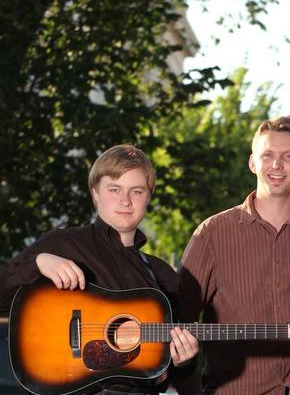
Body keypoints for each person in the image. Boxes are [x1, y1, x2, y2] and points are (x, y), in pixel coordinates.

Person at [0, 144, 200, 395]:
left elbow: (166, 368)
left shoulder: (162, 276)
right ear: (95, 192)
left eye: (136, 191)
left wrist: (184, 361)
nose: (125, 201)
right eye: (114, 189)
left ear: (149, 196)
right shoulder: (62, 245)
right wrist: (38, 262)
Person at [175, 116, 290, 395]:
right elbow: (177, 322)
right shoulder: (212, 234)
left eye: (287, 156)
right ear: (253, 162)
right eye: (267, 155)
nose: (277, 165)